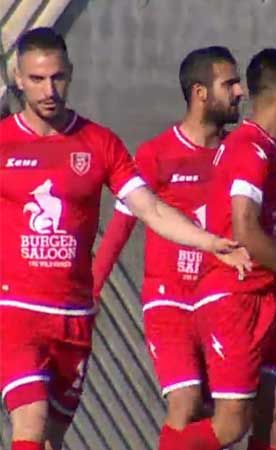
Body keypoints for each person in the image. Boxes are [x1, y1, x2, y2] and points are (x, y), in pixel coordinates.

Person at [0, 27, 250, 450]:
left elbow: (149, 209)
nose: (49, 90)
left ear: (70, 73)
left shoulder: (99, 143)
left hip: (74, 317)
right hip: (16, 311)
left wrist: (209, 242)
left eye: (57, 77)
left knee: (52, 438)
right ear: (18, 79)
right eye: (37, 79)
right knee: (31, 420)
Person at [159, 44, 276, 450]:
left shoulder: (268, 149)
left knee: (274, 414)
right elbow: (245, 229)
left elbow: (265, 227)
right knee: (231, 425)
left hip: (266, 296)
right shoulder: (249, 148)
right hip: (234, 297)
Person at [91, 46, 244, 449]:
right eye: (229, 83)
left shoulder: (240, 153)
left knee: (222, 416)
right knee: (185, 401)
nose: (240, 91)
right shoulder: (156, 153)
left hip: (221, 300)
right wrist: (91, 291)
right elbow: (120, 227)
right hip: (169, 299)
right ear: (200, 93)